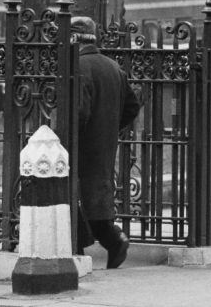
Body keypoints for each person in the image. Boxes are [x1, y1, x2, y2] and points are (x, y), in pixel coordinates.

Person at [71, 15, 141, 269]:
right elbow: (133, 105)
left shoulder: (78, 66)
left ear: (73, 39)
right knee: (96, 196)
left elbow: (79, 112)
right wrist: (110, 126)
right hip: (104, 141)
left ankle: (90, 244)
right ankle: (113, 241)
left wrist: (65, 137)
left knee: (74, 195)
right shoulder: (114, 67)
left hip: (80, 143)